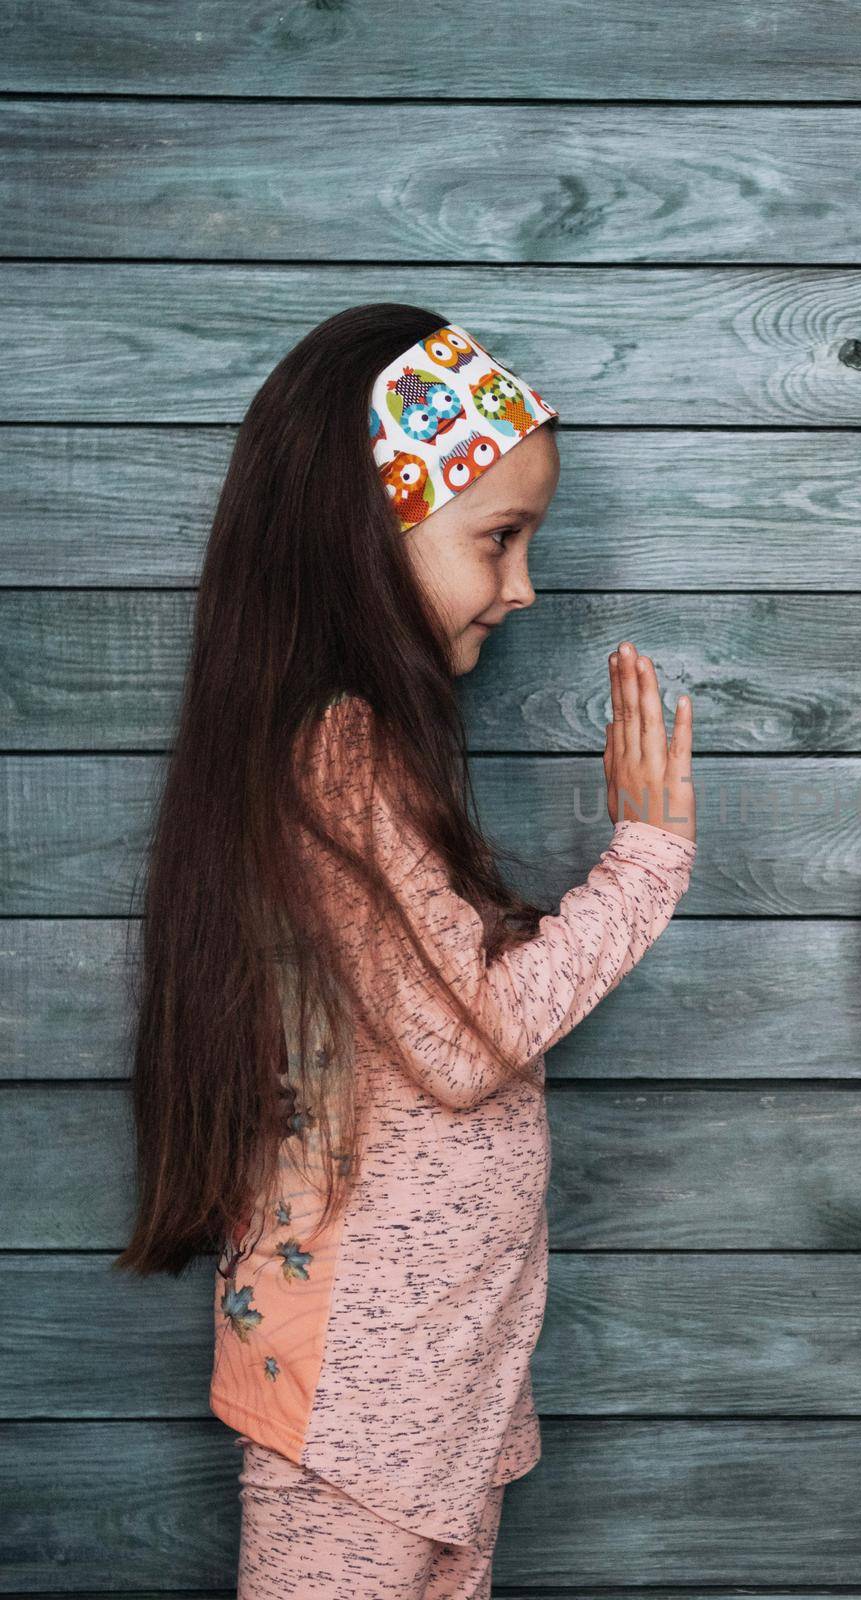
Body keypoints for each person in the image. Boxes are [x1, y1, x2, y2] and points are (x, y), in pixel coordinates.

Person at [113, 305, 697, 1596]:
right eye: (498, 537)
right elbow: (467, 1038)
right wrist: (647, 857)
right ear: (373, 531)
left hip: (435, 1393)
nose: (526, 585)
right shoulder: (339, 757)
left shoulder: (362, 757)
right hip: (360, 1416)